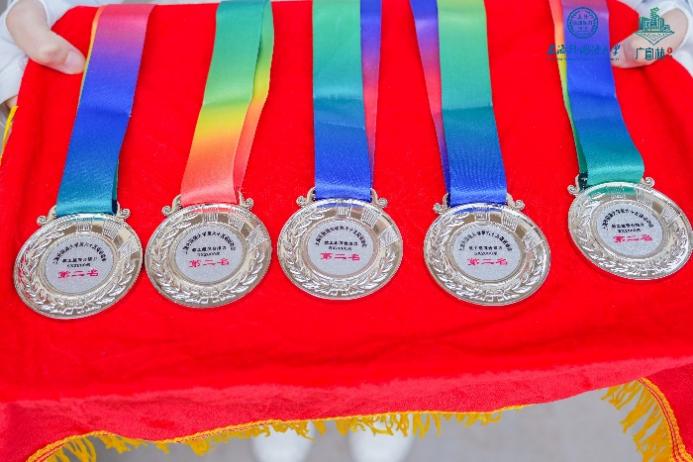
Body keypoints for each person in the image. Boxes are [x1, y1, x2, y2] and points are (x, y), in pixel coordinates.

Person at [0, 0, 689, 461]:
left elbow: (656, 13)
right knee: (268, 347)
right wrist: (23, 13)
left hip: (473, 49)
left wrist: (669, 14)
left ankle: (381, 420)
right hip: (199, 55)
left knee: (410, 348)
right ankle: (282, 420)